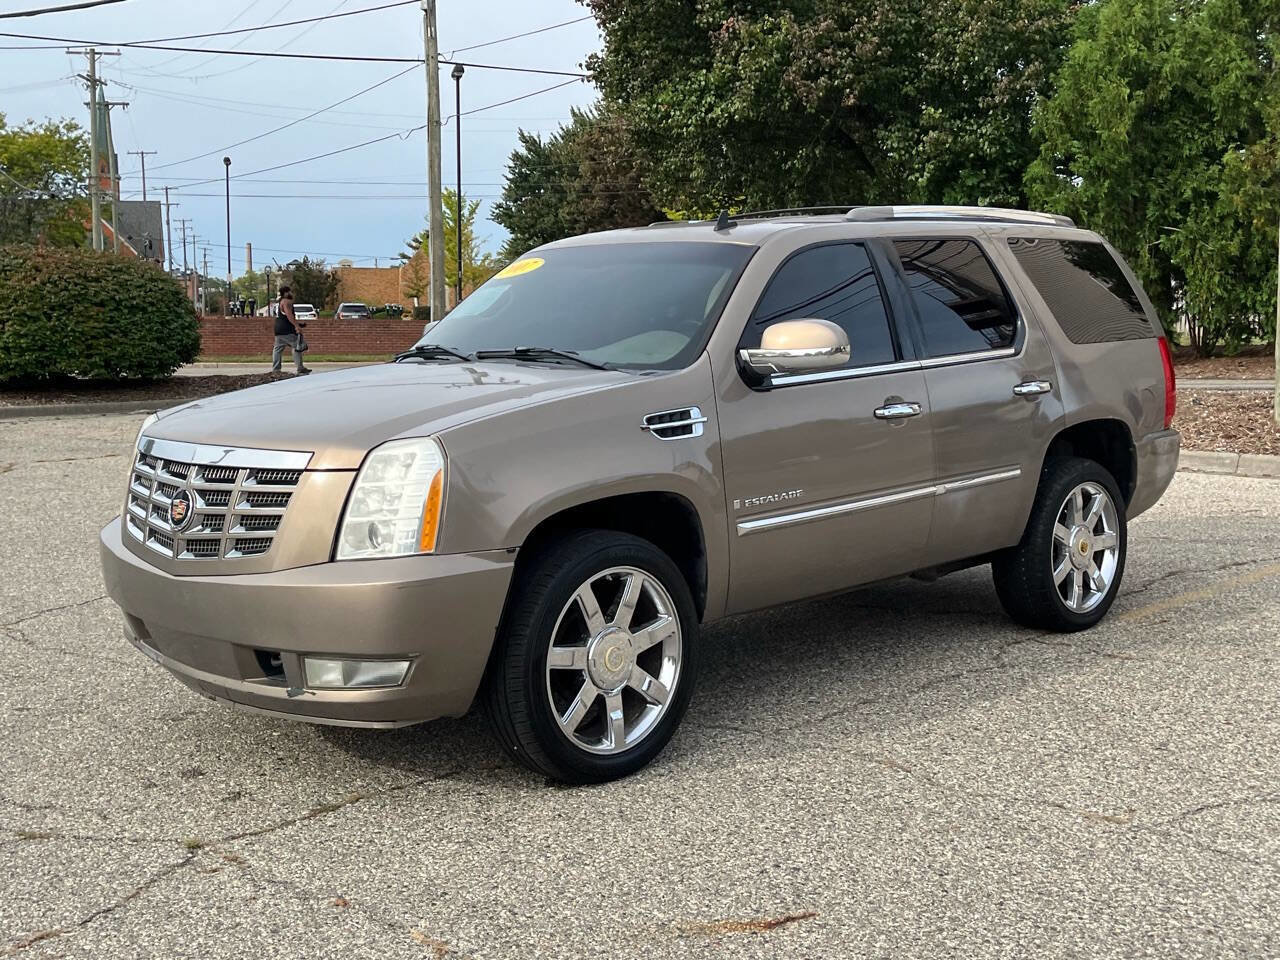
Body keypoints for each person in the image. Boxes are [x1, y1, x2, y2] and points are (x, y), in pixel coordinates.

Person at [271, 285, 310, 375]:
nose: (291, 293)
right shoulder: (286, 302)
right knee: (298, 346)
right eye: (290, 291)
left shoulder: (281, 301)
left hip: (278, 329)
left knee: (277, 349)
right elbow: (289, 315)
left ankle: (276, 370)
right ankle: (300, 368)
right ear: (286, 293)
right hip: (287, 330)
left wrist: (299, 324)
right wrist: (297, 326)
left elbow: (285, 316)